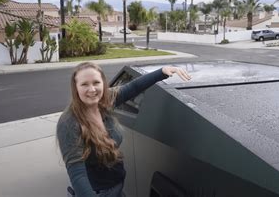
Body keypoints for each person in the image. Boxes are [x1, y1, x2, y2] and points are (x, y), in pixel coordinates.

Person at [57, 62, 191, 197]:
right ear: (75, 87)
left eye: (96, 82)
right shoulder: (69, 123)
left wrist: (162, 71)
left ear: (103, 83)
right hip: (97, 192)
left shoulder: (105, 100)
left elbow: (134, 87)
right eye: (84, 84)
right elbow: (78, 175)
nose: (92, 89)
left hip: (117, 187)